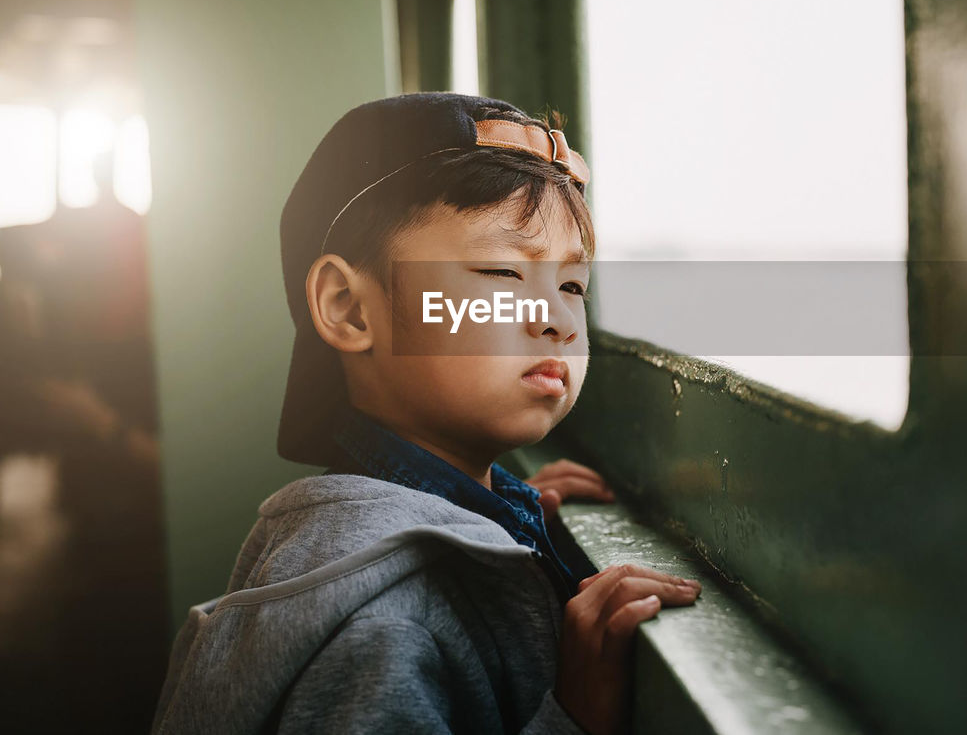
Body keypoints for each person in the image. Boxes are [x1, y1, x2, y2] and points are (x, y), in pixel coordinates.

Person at [150, 93, 701, 735]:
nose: (554, 319)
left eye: (572, 285)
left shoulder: (399, 529)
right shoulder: (385, 625)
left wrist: (490, 510)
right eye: (501, 274)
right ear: (350, 308)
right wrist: (572, 719)